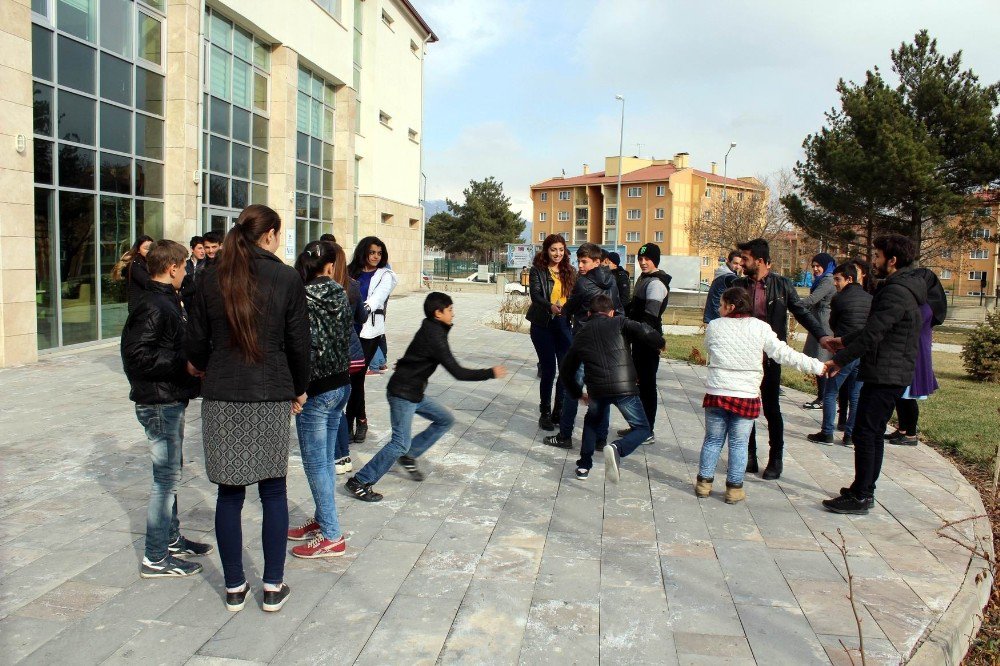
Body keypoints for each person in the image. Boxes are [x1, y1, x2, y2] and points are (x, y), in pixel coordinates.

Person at [185, 204, 310, 612]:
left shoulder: (208, 277)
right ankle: (273, 586)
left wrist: (204, 367)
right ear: (270, 234)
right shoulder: (286, 277)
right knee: (274, 489)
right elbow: (298, 344)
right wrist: (300, 387)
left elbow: (196, 341)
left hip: (222, 392)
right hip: (271, 391)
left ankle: (235, 586)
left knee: (229, 492)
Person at [345, 292, 505, 501]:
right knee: (399, 442)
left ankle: (409, 455)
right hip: (403, 394)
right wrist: (490, 373)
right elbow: (458, 372)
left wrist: (406, 363)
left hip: (414, 392)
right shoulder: (435, 335)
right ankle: (360, 480)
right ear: (438, 313)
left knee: (444, 420)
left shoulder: (432, 327)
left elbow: (416, 352)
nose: (453, 314)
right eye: (449, 310)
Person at [820, 234, 928, 515]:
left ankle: (862, 495)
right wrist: (843, 341)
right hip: (887, 370)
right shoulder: (901, 287)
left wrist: (840, 360)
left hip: (887, 373)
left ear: (892, 260)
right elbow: (875, 328)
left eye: (878, 256)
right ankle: (863, 487)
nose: (874, 262)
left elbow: (874, 334)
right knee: (872, 432)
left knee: (867, 433)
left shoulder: (896, 291)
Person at [121, 240, 210, 578]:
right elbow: (137, 356)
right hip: (158, 402)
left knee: (170, 475)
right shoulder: (153, 305)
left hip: (170, 397)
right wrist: (183, 364)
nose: (186, 271)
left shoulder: (167, 299)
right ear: (172, 267)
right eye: (184, 266)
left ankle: (171, 540)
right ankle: (155, 557)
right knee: (165, 481)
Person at [697, 288, 826, 503]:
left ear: (730, 306)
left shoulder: (714, 326)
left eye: (721, 305)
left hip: (717, 392)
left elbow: (708, 347)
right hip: (746, 394)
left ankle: (704, 484)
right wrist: (818, 366)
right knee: (739, 444)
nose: (718, 309)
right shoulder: (761, 328)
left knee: (712, 440)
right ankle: (734, 489)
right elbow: (785, 354)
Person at [733, 238, 829, 480]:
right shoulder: (738, 285)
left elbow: (802, 313)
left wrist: (822, 337)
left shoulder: (782, 285)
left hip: (771, 358)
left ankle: (776, 458)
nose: (741, 263)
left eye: (745, 258)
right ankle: (749, 455)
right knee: (746, 408)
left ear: (761, 260)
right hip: (744, 358)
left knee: (772, 408)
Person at [285, 241, 354, 559]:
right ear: (329, 266)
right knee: (325, 461)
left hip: (315, 390)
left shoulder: (301, 294)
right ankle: (323, 520)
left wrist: (297, 388)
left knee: (316, 464)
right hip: (341, 384)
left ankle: (331, 535)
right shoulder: (340, 291)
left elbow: (300, 345)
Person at [561, 294, 663, 481]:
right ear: (611, 312)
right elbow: (647, 331)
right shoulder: (620, 322)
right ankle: (617, 448)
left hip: (597, 391)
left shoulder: (581, 334)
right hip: (625, 389)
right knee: (642, 428)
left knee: (592, 421)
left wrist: (577, 393)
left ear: (589, 313)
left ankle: (584, 466)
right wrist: (660, 343)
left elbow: (566, 371)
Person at [543, 242, 622, 450]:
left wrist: (562, 311)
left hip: (584, 344)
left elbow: (569, 308)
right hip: (606, 346)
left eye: (584, 261)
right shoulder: (612, 281)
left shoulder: (583, 283)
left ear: (597, 261)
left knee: (572, 387)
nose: (580, 265)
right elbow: (619, 310)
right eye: (578, 261)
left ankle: (565, 435)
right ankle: (599, 438)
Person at [806, 263, 871, 446]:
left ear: (849, 279)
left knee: (830, 392)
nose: (835, 283)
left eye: (838, 279)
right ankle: (850, 435)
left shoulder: (839, 299)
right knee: (856, 395)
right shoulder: (870, 298)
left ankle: (827, 432)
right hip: (863, 352)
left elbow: (832, 324)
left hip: (844, 352)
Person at [886, 267, 947, 446]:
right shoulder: (920, 302)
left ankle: (911, 434)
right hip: (910, 348)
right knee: (901, 394)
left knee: (909, 394)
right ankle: (903, 429)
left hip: (916, 351)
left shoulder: (926, 305)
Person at [346, 236, 398, 443]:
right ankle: (361, 418)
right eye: (372, 253)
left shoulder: (386, 275)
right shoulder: (350, 272)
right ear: (363, 253)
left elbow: (378, 298)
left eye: (379, 253)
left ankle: (352, 421)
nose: (376, 257)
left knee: (357, 376)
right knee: (350, 379)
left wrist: (362, 309)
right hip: (350, 330)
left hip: (370, 332)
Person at [526, 234, 576, 431]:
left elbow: (576, 295)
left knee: (565, 370)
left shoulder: (570, 271)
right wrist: (550, 307)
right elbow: (536, 295)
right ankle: (545, 413)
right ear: (546, 250)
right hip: (543, 325)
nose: (557, 253)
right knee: (549, 371)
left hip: (563, 325)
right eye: (553, 249)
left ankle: (558, 411)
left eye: (561, 250)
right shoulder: (537, 270)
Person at [623, 243, 671, 442]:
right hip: (639, 337)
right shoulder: (645, 279)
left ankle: (647, 430)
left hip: (648, 339)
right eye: (640, 259)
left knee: (647, 385)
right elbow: (634, 307)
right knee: (639, 384)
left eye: (647, 259)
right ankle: (638, 426)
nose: (642, 262)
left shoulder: (656, 284)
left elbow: (649, 319)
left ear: (655, 260)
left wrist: (628, 324)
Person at [800, 253, 837, 409]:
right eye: (813, 266)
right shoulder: (821, 280)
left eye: (818, 266)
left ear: (826, 266)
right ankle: (823, 396)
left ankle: (824, 398)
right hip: (818, 322)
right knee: (818, 361)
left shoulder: (828, 280)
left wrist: (792, 303)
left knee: (822, 361)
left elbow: (812, 299)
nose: (815, 269)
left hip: (824, 325)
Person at [112, 235, 154, 314]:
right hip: (139, 307)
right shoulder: (135, 264)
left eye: (151, 248)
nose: (149, 251)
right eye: (146, 248)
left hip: (147, 305)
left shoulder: (149, 262)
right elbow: (147, 283)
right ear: (138, 250)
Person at [703, 250, 743, 324]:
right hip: (718, 315)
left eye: (740, 264)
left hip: (712, 315)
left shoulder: (721, 272)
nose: (738, 267)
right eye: (735, 263)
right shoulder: (729, 277)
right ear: (728, 261)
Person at [180, 236, 206, 303]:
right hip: (187, 303)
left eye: (204, 248)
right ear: (192, 249)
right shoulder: (185, 265)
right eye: (200, 248)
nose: (203, 251)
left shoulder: (207, 265)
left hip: (202, 302)